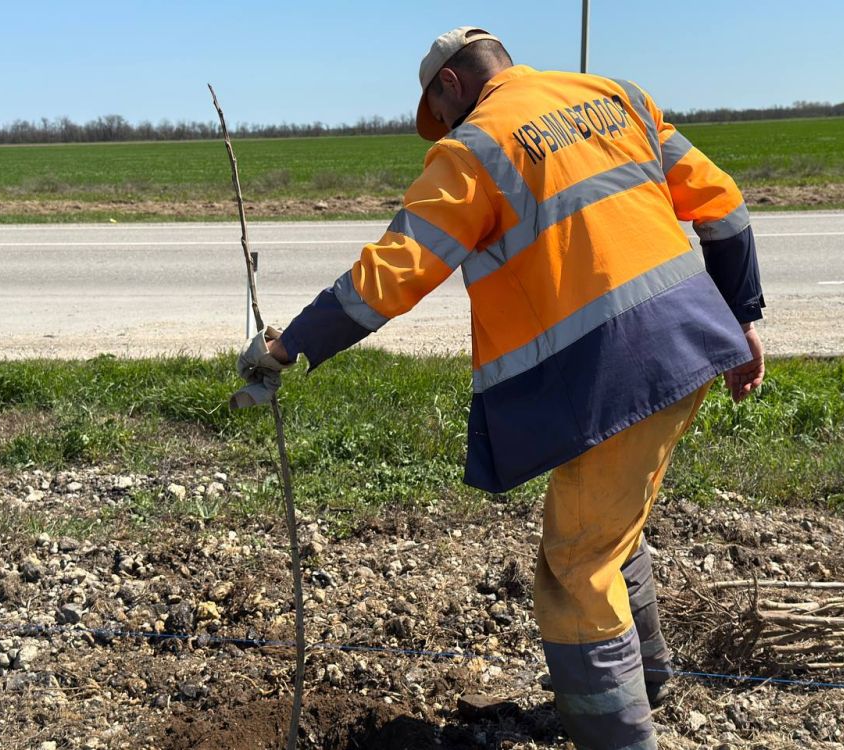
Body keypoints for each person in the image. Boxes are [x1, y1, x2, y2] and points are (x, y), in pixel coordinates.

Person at [236, 26, 765, 750]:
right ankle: (646, 685)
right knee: (607, 529)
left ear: (451, 86)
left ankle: (617, 735)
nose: (442, 127)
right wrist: (741, 318)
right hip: (689, 343)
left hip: (610, 376)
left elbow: (395, 269)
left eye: (438, 112)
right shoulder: (617, 97)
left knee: (575, 570)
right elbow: (724, 205)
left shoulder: (473, 149)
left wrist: (289, 344)